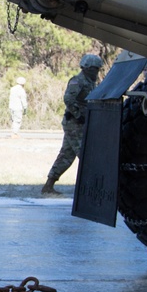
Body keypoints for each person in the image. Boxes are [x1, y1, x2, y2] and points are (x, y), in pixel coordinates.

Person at [41, 54, 103, 197]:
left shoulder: (90, 82)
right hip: (75, 124)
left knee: (66, 155)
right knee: (86, 154)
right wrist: (78, 115)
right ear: (86, 68)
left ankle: (48, 185)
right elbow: (68, 99)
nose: (96, 72)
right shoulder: (78, 81)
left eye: (97, 69)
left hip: (81, 123)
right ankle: (92, 187)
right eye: (94, 69)